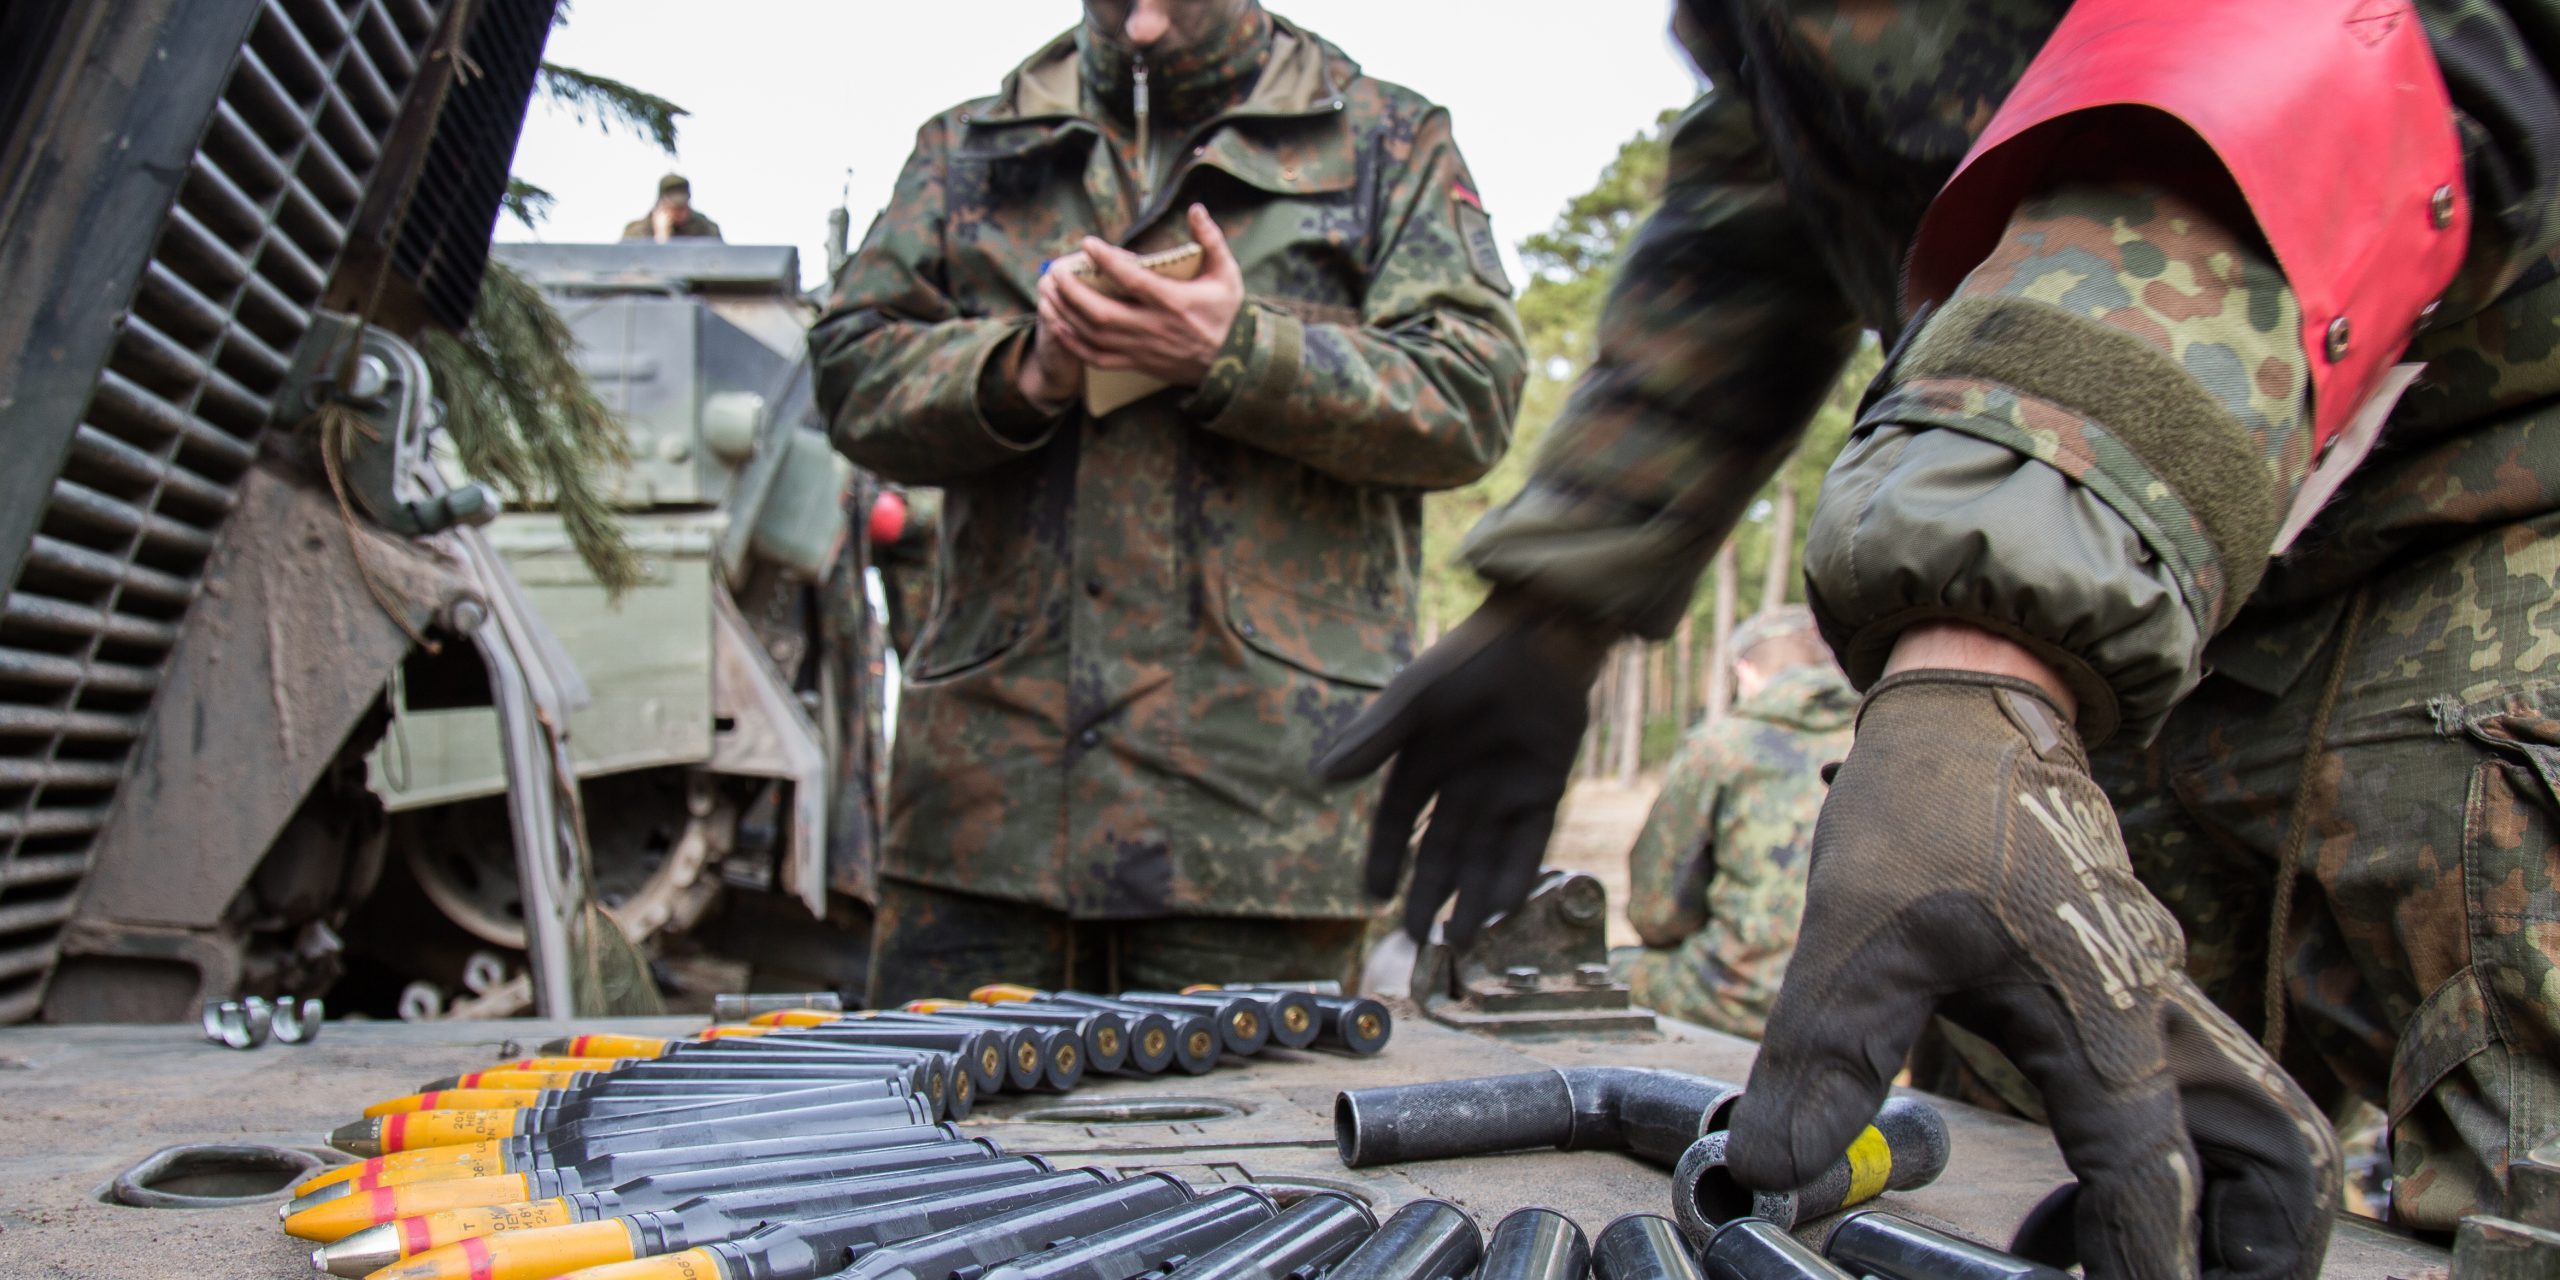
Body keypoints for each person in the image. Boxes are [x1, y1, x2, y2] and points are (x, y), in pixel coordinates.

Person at [1319, 1, 2560, 1271]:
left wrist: (1987, 646)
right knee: (2024, 1187)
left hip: (2457, 539)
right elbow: (1782, 179)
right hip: (2080, 625)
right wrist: (1566, 587)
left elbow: (2361, 41)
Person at [810, 0, 1525, 1005]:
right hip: (983, 824)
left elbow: (1469, 394)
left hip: (1257, 828)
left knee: (1243, 1159)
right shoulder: (966, 148)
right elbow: (847, 373)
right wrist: (1027, 365)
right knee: (924, 1150)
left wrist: (1241, 350)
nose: (1140, 25)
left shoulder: (1382, 140)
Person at [1613, 607, 1853, 1039]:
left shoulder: (1722, 747)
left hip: (1743, 997)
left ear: (1746, 669)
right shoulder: (1882, 739)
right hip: (1865, 1008)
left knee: (1603, 973)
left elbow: (1657, 913)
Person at [620, 173, 722, 242]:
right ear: (661, 205)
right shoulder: (637, 231)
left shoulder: (706, 228)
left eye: (684, 205)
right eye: (675, 207)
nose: (682, 212)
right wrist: (661, 236)